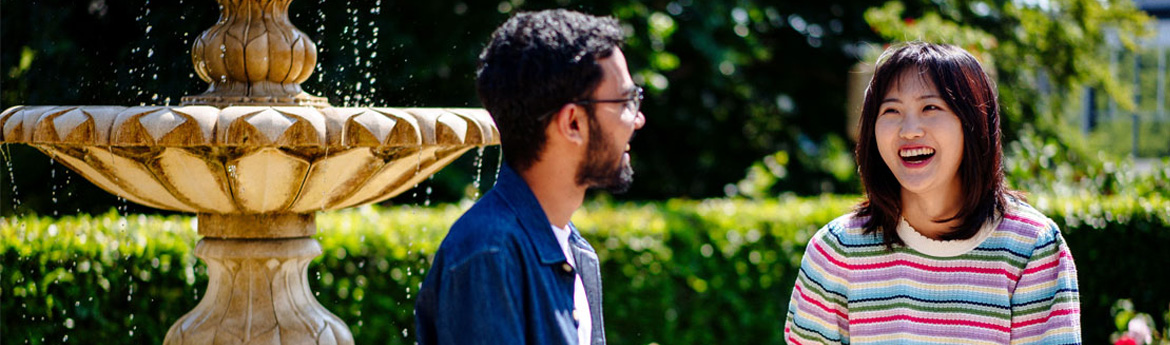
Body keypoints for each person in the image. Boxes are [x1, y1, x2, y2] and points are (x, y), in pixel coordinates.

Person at [784, 42, 1081, 344]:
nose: (909, 129)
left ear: (972, 124)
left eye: (930, 107)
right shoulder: (836, 251)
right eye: (891, 110)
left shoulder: (1031, 247)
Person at [414, 9, 645, 345]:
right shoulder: (489, 253)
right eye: (626, 100)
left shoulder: (577, 252)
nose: (637, 119)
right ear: (573, 123)